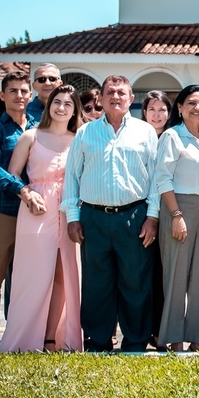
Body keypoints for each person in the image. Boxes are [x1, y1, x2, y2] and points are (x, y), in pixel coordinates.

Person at [62, 75, 160, 352]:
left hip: (135, 217)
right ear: (101, 99)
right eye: (110, 93)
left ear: (131, 98)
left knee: (136, 281)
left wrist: (152, 216)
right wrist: (72, 218)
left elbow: (156, 178)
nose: (115, 97)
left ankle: (136, 341)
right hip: (94, 218)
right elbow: (72, 176)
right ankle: (98, 339)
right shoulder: (85, 133)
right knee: (97, 283)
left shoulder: (145, 132)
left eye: (121, 93)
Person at [0, 84, 83, 352]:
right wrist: (27, 195)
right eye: (57, 102)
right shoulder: (30, 136)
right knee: (34, 275)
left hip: (69, 211)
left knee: (65, 275)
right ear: (49, 105)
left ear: (74, 110)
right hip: (37, 210)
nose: (61, 108)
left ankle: (53, 338)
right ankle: (22, 339)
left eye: (68, 104)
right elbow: (12, 175)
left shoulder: (79, 138)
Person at [0, 71, 46, 352]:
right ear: (2, 96)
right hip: (3, 213)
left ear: (30, 96)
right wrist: (22, 190)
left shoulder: (40, 128)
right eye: (13, 90)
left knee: (28, 280)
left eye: (23, 91)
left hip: (35, 216)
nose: (19, 95)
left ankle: (23, 336)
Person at [154, 85, 199, 351]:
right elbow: (162, 177)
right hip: (179, 206)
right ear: (179, 107)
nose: (197, 108)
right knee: (176, 276)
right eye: (191, 103)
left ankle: (197, 339)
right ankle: (174, 338)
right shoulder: (172, 136)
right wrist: (176, 215)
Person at [142, 89, 173, 349]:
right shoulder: (138, 138)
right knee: (144, 274)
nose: (157, 114)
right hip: (142, 213)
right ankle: (145, 329)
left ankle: (162, 331)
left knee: (165, 274)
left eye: (162, 109)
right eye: (152, 109)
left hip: (169, 212)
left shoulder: (173, 138)